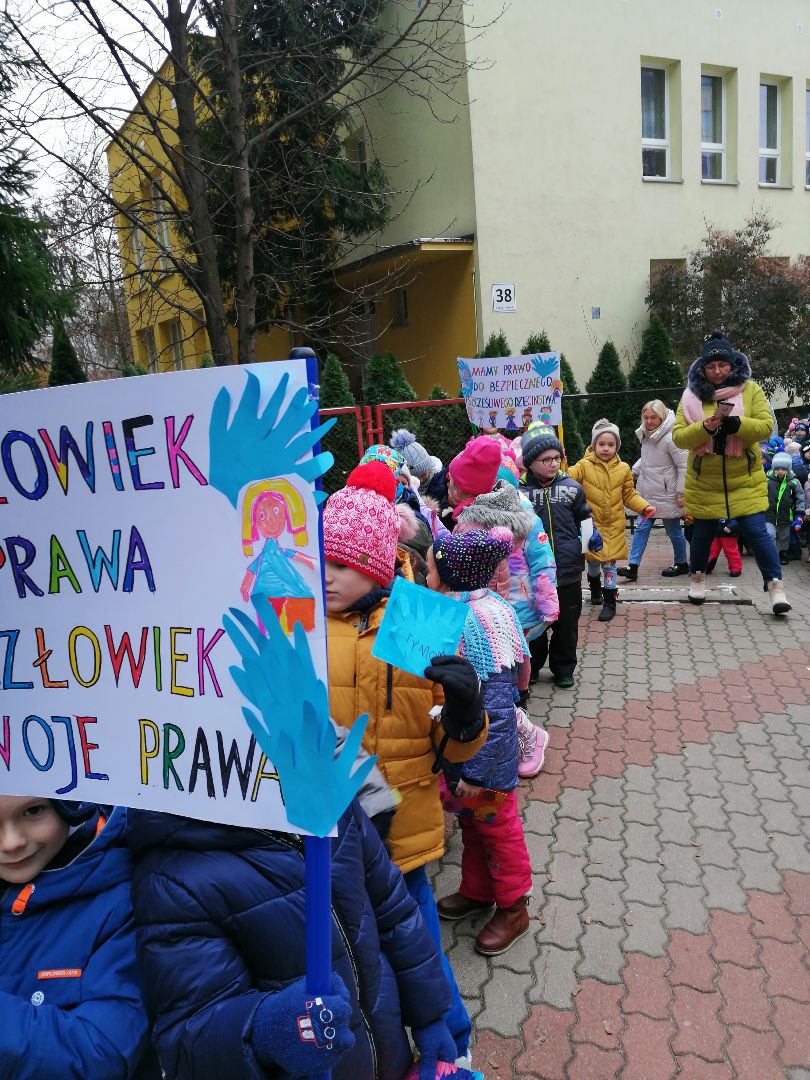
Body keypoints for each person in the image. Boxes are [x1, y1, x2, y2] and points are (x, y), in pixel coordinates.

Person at [322, 460, 489, 1065]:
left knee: (421, 952)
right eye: (320, 561)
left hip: (403, 836)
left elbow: (451, 748)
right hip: (330, 833)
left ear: (374, 565)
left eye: (341, 564)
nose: (326, 575)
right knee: (345, 954)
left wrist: (466, 715)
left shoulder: (420, 620)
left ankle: (452, 1050)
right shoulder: (302, 625)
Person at [127, 802, 461, 1080]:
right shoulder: (171, 879)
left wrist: (429, 1016)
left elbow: (392, 908)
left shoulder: (331, 800)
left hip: (387, 1049)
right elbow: (190, 1036)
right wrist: (262, 1031)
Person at [427, 530, 533, 957]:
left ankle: (514, 907)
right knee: (474, 826)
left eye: (431, 569)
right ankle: (477, 891)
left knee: (500, 832)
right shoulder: (476, 607)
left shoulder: (472, 621)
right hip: (464, 755)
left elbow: (497, 711)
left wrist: (474, 770)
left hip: (484, 764)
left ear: (450, 574)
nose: (426, 575)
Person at [0, 796, 158, 1079]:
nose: (11, 842)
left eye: (33, 810)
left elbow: (102, 1054)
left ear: (71, 803)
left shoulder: (124, 904)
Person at [672, 331, 791, 614]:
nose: (717, 371)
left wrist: (738, 425)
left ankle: (776, 587)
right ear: (702, 368)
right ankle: (697, 579)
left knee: (757, 533)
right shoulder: (690, 396)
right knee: (702, 534)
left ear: (732, 364)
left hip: (745, 478)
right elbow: (679, 437)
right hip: (705, 480)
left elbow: (765, 426)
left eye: (722, 365)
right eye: (711, 366)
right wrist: (704, 427)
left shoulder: (750, 389)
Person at [455, 481, 559, 777]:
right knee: (496, 683)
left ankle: (521, 725)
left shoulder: (526, 522)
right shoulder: (470, 522)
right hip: (480, 612)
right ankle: (514, 717)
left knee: (509, 673)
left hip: (516, 610)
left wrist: (548, 605)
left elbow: (543, 564)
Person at [519, 423, 602, 687]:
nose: (553, 464)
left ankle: (564, 667)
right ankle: (531, 667)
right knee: (534, 622)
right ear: (530, 462)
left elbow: (584, 517)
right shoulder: (519, 493)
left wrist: (592, 535)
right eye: (546, 460)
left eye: (557, 458)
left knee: (567, 624)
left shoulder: (572, 487)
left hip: (567, 570)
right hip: (533, 574)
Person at [566, 419, 654, 623]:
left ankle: (610, 601)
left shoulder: (623, 468)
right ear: (593, 445)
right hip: (590, 524)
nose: (606, 448)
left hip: (614, 525)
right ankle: (594, 586)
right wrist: (562, 463)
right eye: (601, 444)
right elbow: (568, 478)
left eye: (611, 444)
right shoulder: (584, 465)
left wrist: (644, 507)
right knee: (593, 562)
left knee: (609, 564)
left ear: (617, 446)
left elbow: (629, 495)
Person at [617, 399, 688, 580]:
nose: (648, 421)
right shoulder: (649, 435)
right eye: (646, 417)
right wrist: (633, 471)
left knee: (673, 530)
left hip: (667, 494)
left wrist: (681, 493)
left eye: (653, 417)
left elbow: (683, 466)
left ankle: (681, 563)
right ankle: (633, 566)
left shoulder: (671, 437)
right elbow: (648, 458)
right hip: (649, 493)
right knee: (641, 529)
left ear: (661, 417)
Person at [430, 436, 502, 531]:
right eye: (453, 481)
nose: (454, 492)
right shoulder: (438, 481)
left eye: (466, 493)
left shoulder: (472, 525)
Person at [765, 451, 805, 565]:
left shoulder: (794, 482)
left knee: (784, 537)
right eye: (777, 469)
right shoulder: (767, 480)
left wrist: (799, 514)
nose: (780, 471)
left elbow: (800, 498)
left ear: (788, 469)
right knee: (770, 534)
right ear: (773, 468)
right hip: (769, 514)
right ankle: (771, 554)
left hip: (786, 515)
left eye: (783, 469)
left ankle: (783, 553)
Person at [390, 428, 447, 504]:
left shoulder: (441, 480)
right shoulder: (402, 485)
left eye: (422, 475)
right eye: (414, 477)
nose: (420, 480)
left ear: (429, 467)